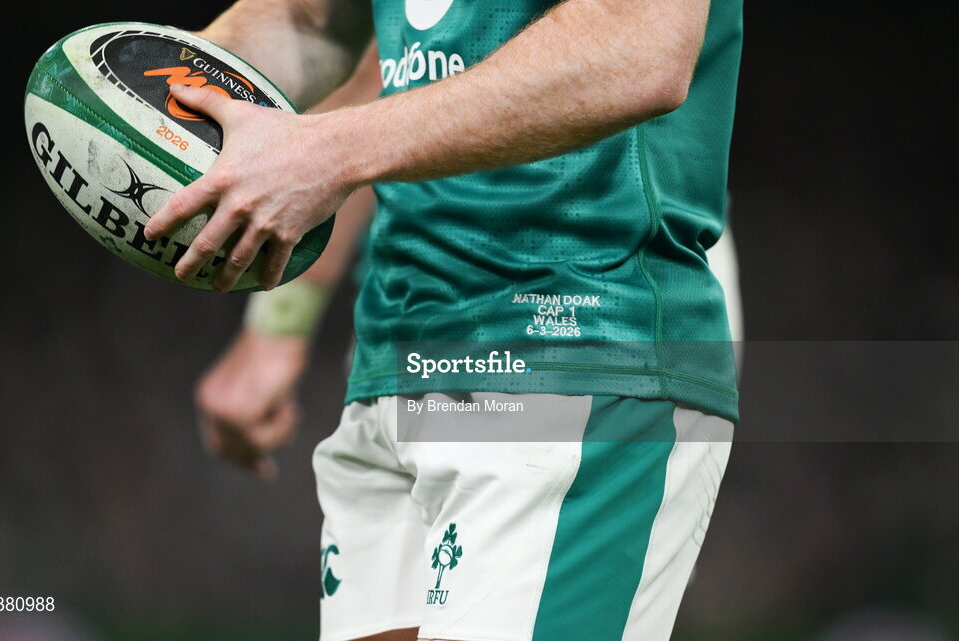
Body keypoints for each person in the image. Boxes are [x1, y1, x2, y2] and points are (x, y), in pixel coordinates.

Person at [157, 1, 744, 640]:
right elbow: (320, 26)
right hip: (399, 353)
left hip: (573, 347)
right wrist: (147, 90)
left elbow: (640, 45)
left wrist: (328, 151)